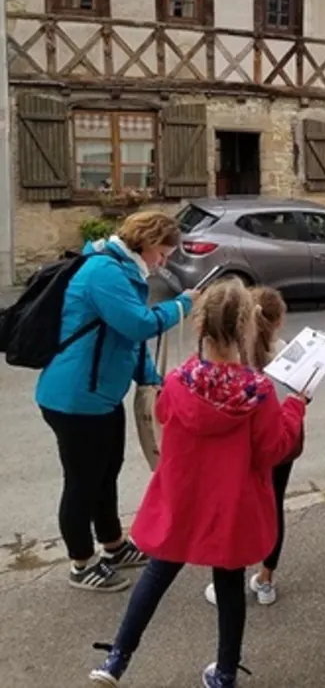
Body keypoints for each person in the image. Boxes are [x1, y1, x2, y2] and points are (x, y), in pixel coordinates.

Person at [89, 278, 307, 688]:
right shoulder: (258, 391)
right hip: (231, 503)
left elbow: (169, 419)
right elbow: (273, 450)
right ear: (247, 327)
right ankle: (224, 673)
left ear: (200, 326)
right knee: (228, 585)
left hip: (185, 497)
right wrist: (296, 405)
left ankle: (117, 659)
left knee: (156, 576)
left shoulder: (176, 380)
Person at [37, 211, 196, 593]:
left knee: (106, 471)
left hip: (101, 394)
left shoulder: (123, 270)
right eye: (163, 252)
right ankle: (81, 563)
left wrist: (150, 379)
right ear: (146, 242)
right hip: (74, 397)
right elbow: (139, 324)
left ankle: (113, 546)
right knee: (81, 482)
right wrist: (182, 306)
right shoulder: (104, 272)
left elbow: (126, 338)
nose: (164, 261)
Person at [204, 285, 297, 608]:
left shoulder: (232, 360)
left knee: (232, 508)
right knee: (273, 506)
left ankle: (228, 578)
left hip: (239, 447)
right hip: (280, 439)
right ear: (278, 322)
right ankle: (266, 579)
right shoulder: (285, 351)